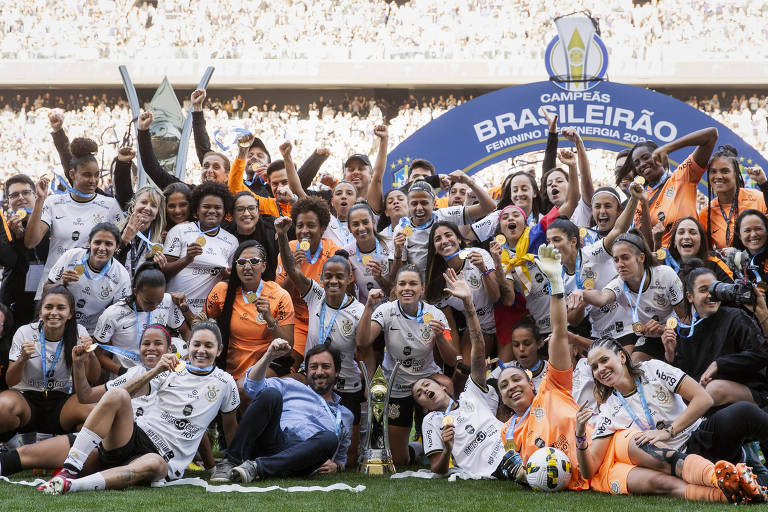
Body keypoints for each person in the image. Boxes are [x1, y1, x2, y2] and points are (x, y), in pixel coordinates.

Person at [39, 322, 239, 494]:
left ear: (219, 350)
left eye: (208, 345)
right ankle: (69, 468)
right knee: (117, 394)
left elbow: (229, 426)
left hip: (161, 458)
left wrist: (231, 460)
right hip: (131, 435)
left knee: (154, 464)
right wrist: (157, 370)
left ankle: (70, 485)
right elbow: (118, 394)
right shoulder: (170, 368)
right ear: (188, 346)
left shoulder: (225, 382)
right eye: (196, 344)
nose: (201, 350)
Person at [577, 337, 768, 503]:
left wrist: (668, 431)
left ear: (621, 356)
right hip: (678, 465)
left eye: (604, 360)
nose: (601, 369)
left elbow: (703, 398)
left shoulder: (652, 369)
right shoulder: (608, 411)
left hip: (700, 436)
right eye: (594, 367)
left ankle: (749, 471)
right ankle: (752, 481)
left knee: (744, 411)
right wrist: (580, 435)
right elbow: (589, 469)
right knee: (757, 485)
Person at [0, 324, 174, 478]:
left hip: (140, 447)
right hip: (108, 441)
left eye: (158, 343)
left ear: (169, 349)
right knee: (25, 454)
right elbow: (87, 396)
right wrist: (78, 364)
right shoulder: (134, 373)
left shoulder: (181, 377)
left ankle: (73, 469)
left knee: (114, 401)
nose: (151, 348)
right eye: (146, 343)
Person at [416, 268, 518, 477]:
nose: (425, 391)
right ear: (424, 408)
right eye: (419, 394)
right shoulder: (431, 421)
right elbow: (438, 469)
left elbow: (478, 351)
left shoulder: (471, 392)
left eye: (426, 385)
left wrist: (468, 304)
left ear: (443, 387)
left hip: (512, 444)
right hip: (492, 467)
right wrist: (447, 448)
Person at [210, 340, 353, 483]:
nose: (319, 372)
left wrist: (337, 466)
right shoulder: (291, 385)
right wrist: (268, 356)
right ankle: (231, 461)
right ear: (307, 371)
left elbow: (340, 459)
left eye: (326, 366)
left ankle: (256, 467)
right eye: (313, 367)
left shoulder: (345, 415)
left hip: (302, 459)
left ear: (337, 372)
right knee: (270, 394)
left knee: (329, 439)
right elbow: (252, 386)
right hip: (274, 440)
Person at [357, 265, 457, 465]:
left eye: (413, 283)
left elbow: (452, 359)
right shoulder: (386, 310)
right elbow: (362, 341)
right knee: (399, 459)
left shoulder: (435, 315)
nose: (407, 288)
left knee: (447, 383)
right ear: (395, 288)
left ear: (422, 288)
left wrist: (440, 338)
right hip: (397, 385)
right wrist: (368, 306)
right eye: (402, 284)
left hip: (426, 379)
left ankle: (451, 446)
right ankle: (419, 447)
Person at [24, 138, 124, 299]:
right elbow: (31, 242)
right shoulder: (53, 202)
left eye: (96, 175)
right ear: (72, 174)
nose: (93, 180)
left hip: (91, 292)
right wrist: (39, 200)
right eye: (87, 175)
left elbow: (121, 244)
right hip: (54, 288)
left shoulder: (110, 205)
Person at [567, 229, 686, 362]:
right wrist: (581, 293)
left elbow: (685, 318)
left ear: (641, 257)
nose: (620, 264)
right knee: (634, 365)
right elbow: (601, 297)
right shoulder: (619, 283)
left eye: (625, 258)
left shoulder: (665, 275)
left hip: (676, 332)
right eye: (616, 260)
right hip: (650, 337)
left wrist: (664, 329)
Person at [661, 261, 768, 407]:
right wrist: (671, 355)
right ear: (690, 296)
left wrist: (720, 364)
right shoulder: (684, 331)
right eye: (704, 289)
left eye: (714, 288)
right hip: (707, 404)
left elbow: (761, 355)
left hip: (746, 393)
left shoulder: (736, 317)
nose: (711, 295)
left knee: (713, 389)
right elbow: (686, 380)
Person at [0, 286, 97, 442]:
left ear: (70, 313)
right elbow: (10, 381)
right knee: (2, 408)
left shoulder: (80, 332)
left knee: (95, 414)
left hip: (61, 400)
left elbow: (93, 377)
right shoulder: (25, 332)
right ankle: (15, 448)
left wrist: (91, 354)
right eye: (48, 307)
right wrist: (22, 359)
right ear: (40, 311)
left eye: (61, 308)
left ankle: (72, 457)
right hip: (26, 399)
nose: (54, 312)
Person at [205, 240, 294, 388]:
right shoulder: (222, 291)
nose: (247, 267)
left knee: (245, 387)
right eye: (241, 262)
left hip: (267, 363)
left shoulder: (279, 295)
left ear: (264, 266)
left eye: (254, 261)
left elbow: (288, 346)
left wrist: (270, 319)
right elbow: (205, 324)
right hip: (229, 365)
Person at [621, 127, 718, 247]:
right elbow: (647, 246)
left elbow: (711, 135)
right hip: (661, 263)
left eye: (646, 157)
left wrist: (668, 148)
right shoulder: (640, 199)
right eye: (637, 163)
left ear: (657, 155)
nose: (642, 164)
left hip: (692, 259)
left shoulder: (682, 177)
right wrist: (644, 203)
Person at [92, 262, 189, 376]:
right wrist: (123, 372)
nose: (155, 306)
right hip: (126, 380)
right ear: (135, 291)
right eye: (149, 302)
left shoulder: (168, 301)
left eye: (159, 301)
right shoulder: (112, 314)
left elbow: (186, 331)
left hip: (161, 378)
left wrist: (188, 351)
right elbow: (97, 353)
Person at [274, 198, 340, 366]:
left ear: (323, 228)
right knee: (288, 367)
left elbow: (343, 294)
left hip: (326, 320)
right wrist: (292, 270)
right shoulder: (287, 249)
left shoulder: (333, 251)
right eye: (300, 225)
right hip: (297, 323)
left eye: (311, 225)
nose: (304, 231)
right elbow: (281, 297)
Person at [161, 181, 238, 314]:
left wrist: (226, 276)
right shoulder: (179, 230)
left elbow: (231, 280)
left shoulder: (232, 241)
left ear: (224, 211)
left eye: (218, 207)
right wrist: (186, 259)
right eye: (206, 206)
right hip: (173, 308)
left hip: (207, 314)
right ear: (197, 209)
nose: (212, 211)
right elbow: (164, 271)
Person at [424, 222, 499, 359]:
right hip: (476, 330)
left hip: (503, 321)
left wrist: (483, 268)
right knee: (464, 370)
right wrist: (457, 356)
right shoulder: (438, 282)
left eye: (448, 235)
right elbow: (450, 325)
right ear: (434, 248)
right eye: (438, 239)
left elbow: (495, 296)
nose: (445, 241)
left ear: (459, 239)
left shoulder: (479, 255)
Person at [392, 174, 495, 272]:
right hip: (421, 287)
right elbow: (396, 276)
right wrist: (398, 253)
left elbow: (489, 207)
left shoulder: (445, 215)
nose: (419, 208)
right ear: (408, 205)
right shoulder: (401, 228)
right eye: (414, 204)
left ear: (434, 203)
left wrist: (469, 182)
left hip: (448, 282)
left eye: (424, 203)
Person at [45, 223, 132, 334]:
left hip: (91, 332)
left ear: (117, 247)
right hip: (59, 323)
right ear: (89, 243)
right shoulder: (71, 256)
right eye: (97, 242)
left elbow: (120, 313)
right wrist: (62, 283)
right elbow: (45, 290)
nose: (102, 248)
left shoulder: (121, 275)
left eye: (108, 244)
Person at [1, 173, 49, 326]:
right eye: (15, 195)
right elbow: (12, 262)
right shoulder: (5, 229)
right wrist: (18, 239)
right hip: (15, 300)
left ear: (35, 195)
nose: (21, 197)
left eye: (26, 192)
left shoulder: (49, 223)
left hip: (46, 295)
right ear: (8, 202)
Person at [700, 145, 768, 249]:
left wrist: (764, 184)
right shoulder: (706, 214)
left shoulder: (758, 198)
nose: (718, 176)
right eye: (713, 171)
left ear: (736, 174)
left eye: (725, 171)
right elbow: (705, 253)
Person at [224, 191, 279, 281]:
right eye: (240, 209)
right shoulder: (225, 235)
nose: (246, 213)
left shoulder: (273, 229)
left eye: (251, 208)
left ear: (258, 211)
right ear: (232, 214)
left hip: (270, 289)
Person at [344, 202, 393, 303]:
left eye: (365, 222)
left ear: (373, 222)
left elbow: (396, 291)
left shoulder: (390, 245)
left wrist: (379, 278)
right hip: (366, 309)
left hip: (391, 307)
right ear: (349, 228)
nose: (361, 228)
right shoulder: (346, 253)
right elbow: (350, 294)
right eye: (355, 224)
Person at [115, 184, 166, 276]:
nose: (147, 208)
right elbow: (107, 262)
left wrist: (157, 268)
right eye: (143, 202)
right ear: (133, 206)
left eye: (153, 205)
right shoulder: (114, 231)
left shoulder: (156, 243)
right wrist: (124, 241)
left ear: (157, 213)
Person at [663, 217, 733, 281]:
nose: (686, 237)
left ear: (701, 241)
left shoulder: (715, 263)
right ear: (674, 242)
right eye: (681, 232)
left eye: (693, 233)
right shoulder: (667, 267)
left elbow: (733, 290)